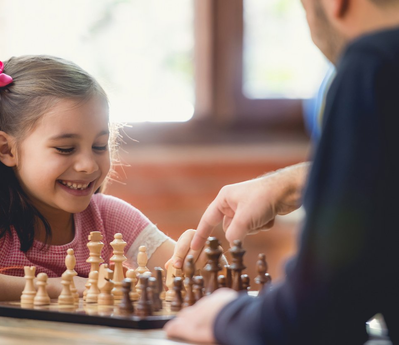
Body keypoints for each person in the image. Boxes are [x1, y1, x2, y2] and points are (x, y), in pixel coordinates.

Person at [165, 0, 399, 343]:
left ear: (335, 4)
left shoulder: (375, 63)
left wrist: (224, 316)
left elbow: (315, 317)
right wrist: (293, 182)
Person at [0, 55, 177, 310]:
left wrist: (194, 250)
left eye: (99, 146)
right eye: (65, 148)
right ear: (7, 150)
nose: (88, 165)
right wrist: (56, 286)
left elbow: (186, 268)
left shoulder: (109, 217)